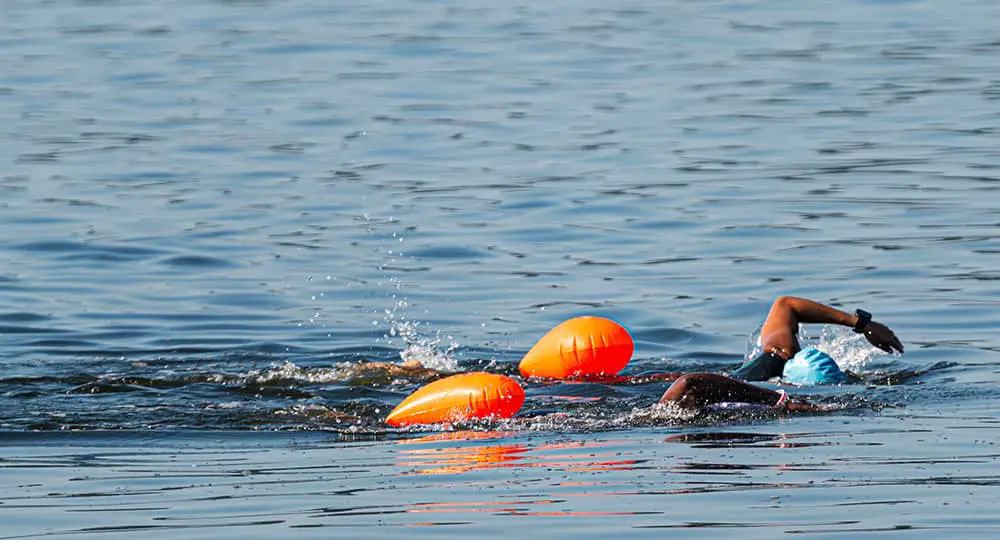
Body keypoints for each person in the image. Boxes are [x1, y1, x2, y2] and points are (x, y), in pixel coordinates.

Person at [659, 296, 904, 412]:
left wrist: (862, 323)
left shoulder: (771, 364)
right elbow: (785, 305)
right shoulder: (776, 361)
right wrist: (862, 324)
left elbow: (690, 383)